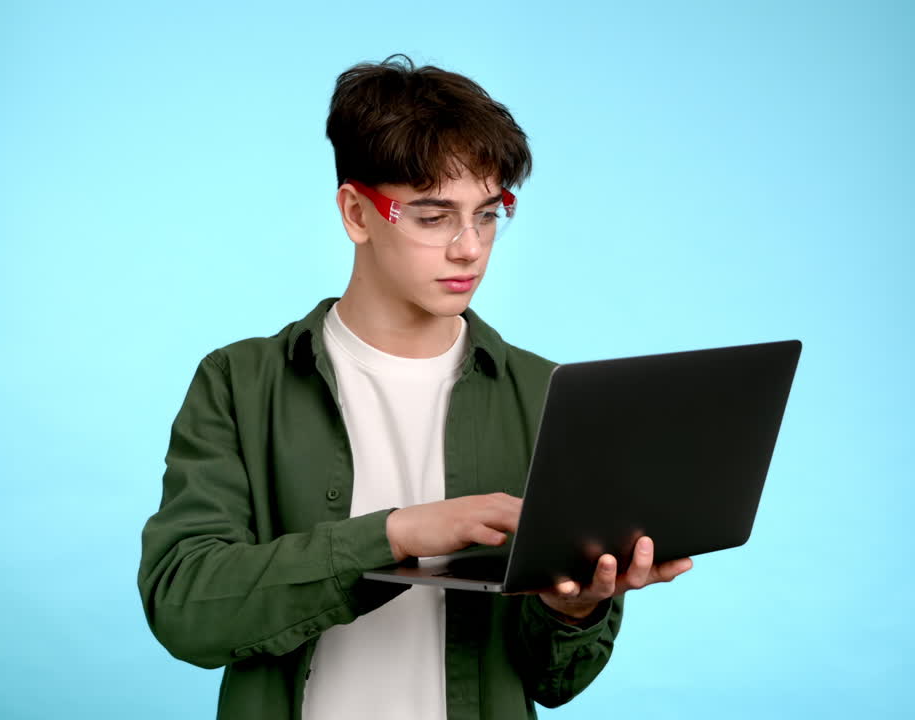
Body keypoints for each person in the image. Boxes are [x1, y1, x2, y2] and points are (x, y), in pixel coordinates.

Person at [136, 53, 694, 720]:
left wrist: (574, 608)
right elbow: (185, 608)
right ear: (356, 213)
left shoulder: (547, 394)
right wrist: (399, 534)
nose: (470, 247)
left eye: (489, 213)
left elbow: (554, 681)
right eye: (434, 216)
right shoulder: (240, 383)